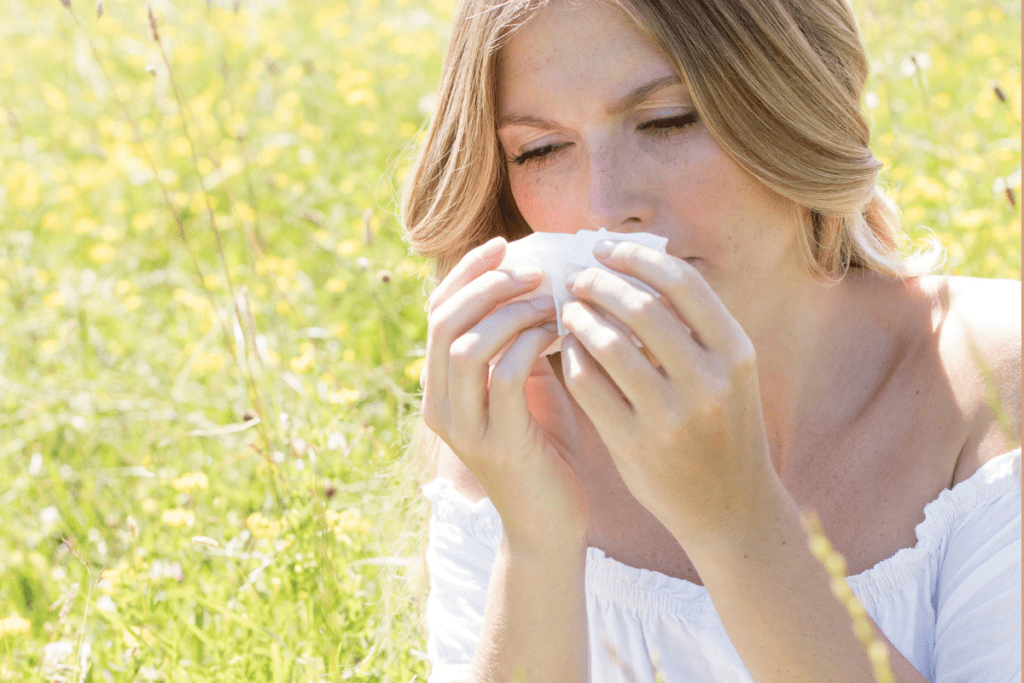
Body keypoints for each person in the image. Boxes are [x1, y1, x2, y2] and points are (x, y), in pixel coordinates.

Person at [401, 0, 1022, 680]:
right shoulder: (514, 420)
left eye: (668, 120)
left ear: (795, 98)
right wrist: (536, 544)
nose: (607, 207)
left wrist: (737, 523)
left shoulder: (994, 384)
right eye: (541, 149)